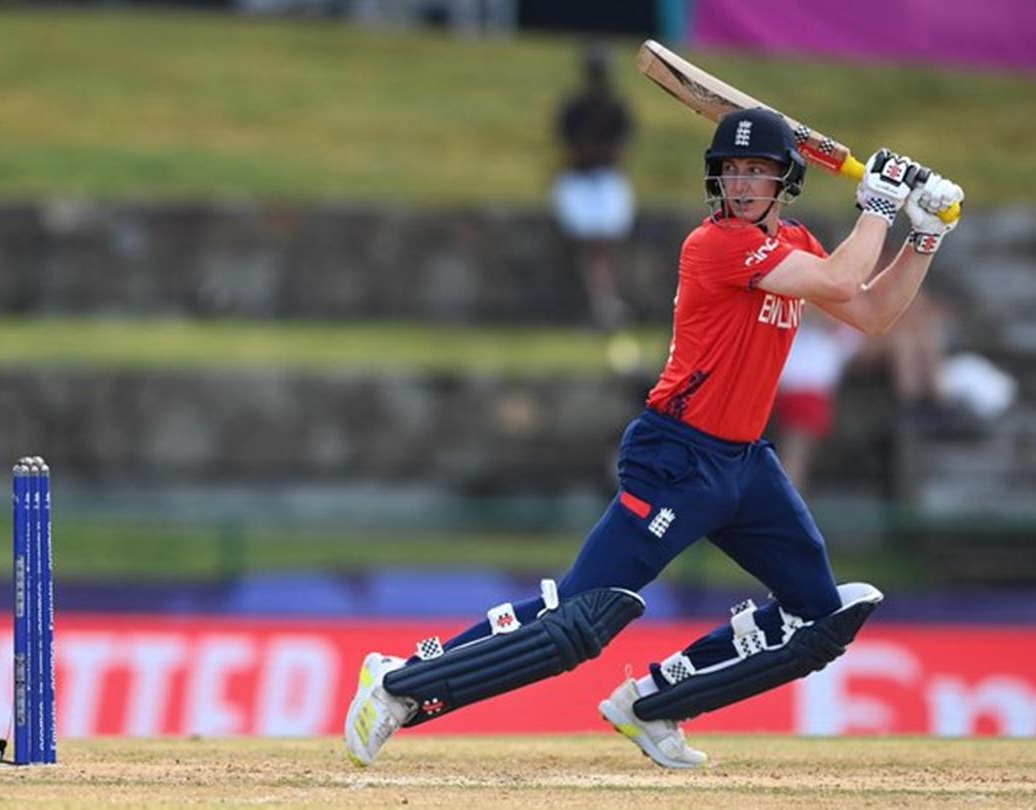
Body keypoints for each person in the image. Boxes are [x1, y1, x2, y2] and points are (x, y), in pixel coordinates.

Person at [344, 108, 964, 770]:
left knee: (817, 618)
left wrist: (922, 233)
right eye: (732, 171)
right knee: (579, 624)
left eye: (757, 171)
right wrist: (879, 202)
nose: (743, 184)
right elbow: (844, 281)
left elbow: (870, 312)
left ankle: (654, 705)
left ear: (785, 180)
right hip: (677, 456)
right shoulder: (716, 245)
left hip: (744, 466)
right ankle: (397, 686)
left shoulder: (797, 246)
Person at [552, 45, 636, 331]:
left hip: (605, 180)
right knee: (591, 244)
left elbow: (620, 149)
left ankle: (603, 302)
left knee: (603, 244)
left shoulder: (617, 108)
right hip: (579, 181)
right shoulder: (574, 108)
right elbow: (569, 149)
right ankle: (601, 303)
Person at [772, 309, 863, 491]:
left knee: (796, 454)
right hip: (772, 374)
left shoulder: (855, 320)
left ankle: (783, 501)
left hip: (807, 387)